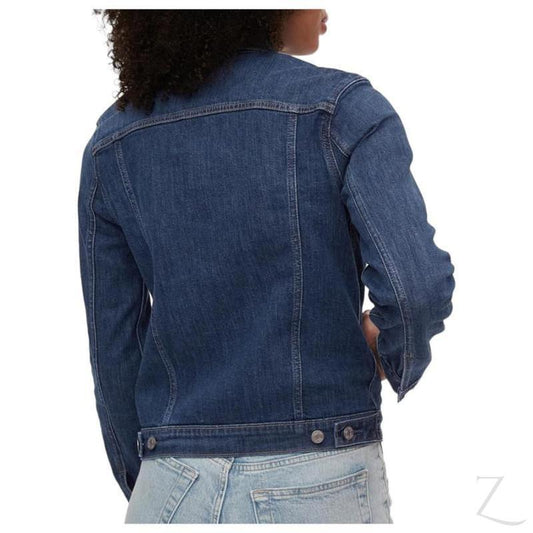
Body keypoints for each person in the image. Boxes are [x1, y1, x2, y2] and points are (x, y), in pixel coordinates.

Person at [78, 9, 455, 524]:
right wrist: (389, 350)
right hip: (316, 473)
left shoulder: (112, 140)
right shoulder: (342, 111)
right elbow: (416, 288)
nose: (325, 8)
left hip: (169, 487)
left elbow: (113, 348)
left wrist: (148, 477)